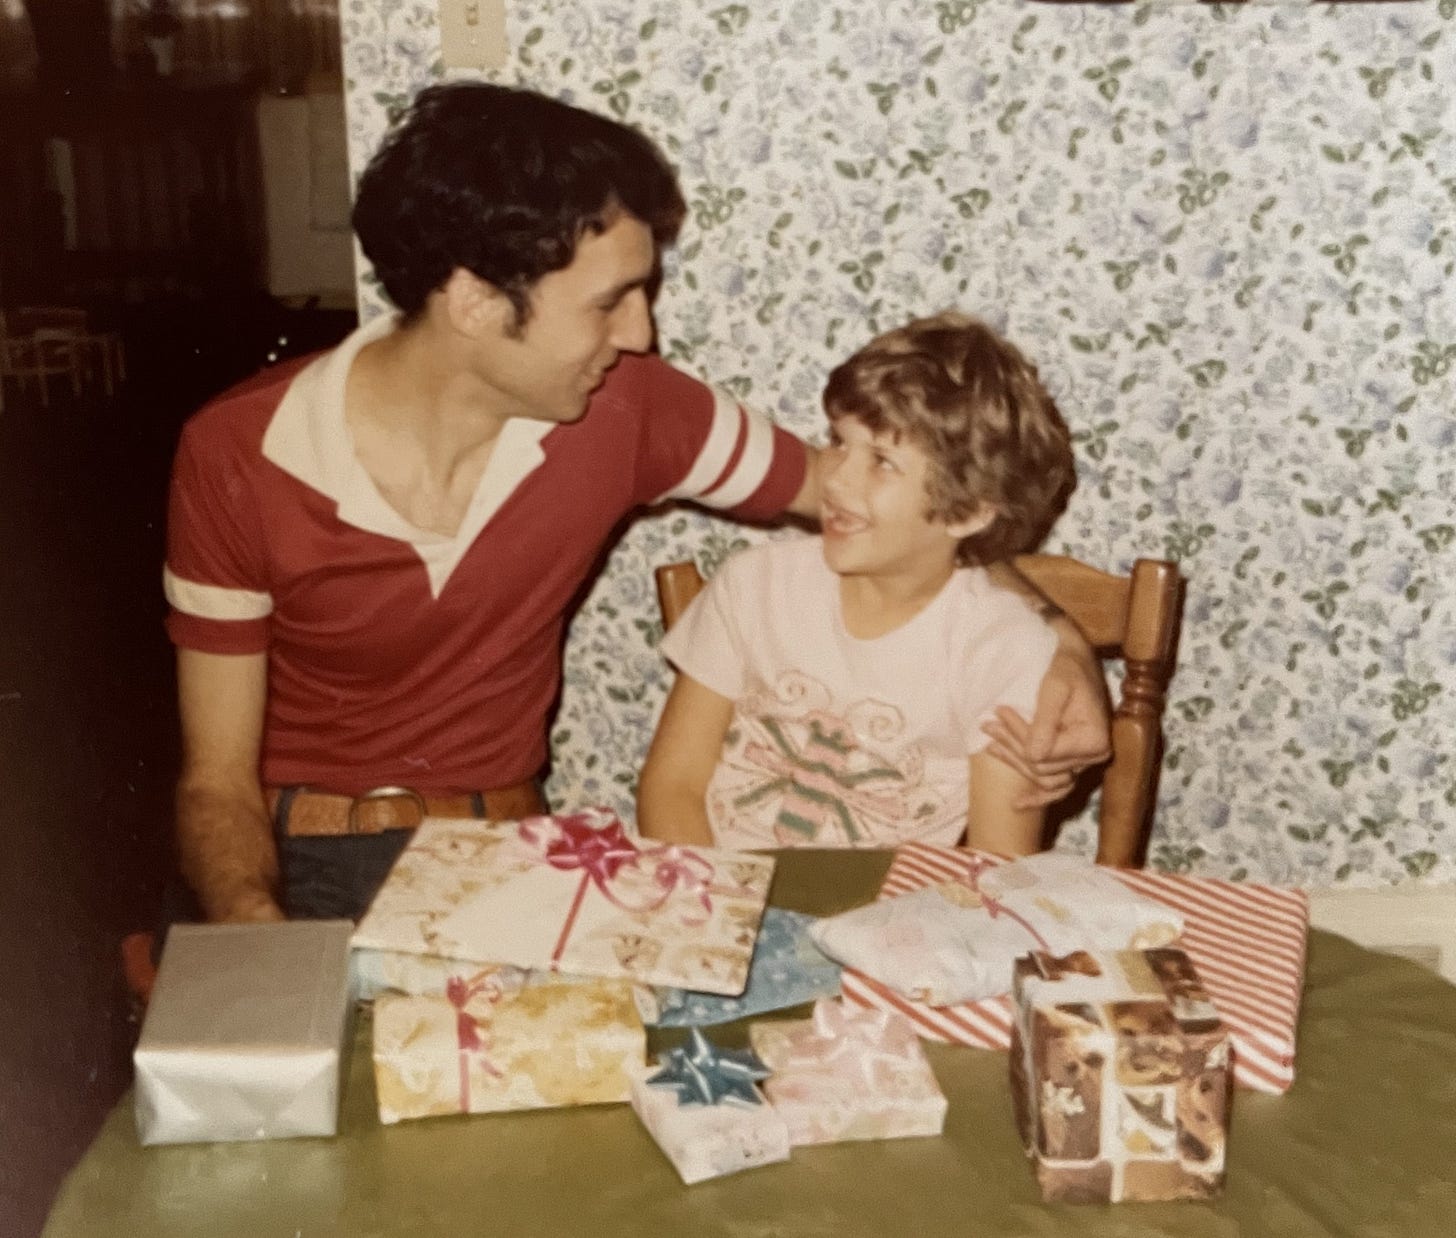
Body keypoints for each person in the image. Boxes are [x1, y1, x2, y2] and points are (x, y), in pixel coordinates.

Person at [163, 83, 1108, 924]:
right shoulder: (241, 454)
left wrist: (1056, 641)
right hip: (299, 860)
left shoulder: (632, 410)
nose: (643, 334)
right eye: (610, 301)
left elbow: (898, 507)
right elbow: (215, 780)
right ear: (475, 301)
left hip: (498, 850)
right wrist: (259, 932)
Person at [637, 312, 1079, 855]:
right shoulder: (753, 586)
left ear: (965, 513)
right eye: (838, 441)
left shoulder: (1004, 650)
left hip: (882, 926)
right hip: (712, 888)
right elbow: (671, 787)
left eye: (883, 461)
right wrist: (717, 907)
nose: (837, 476)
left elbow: (995, 866)